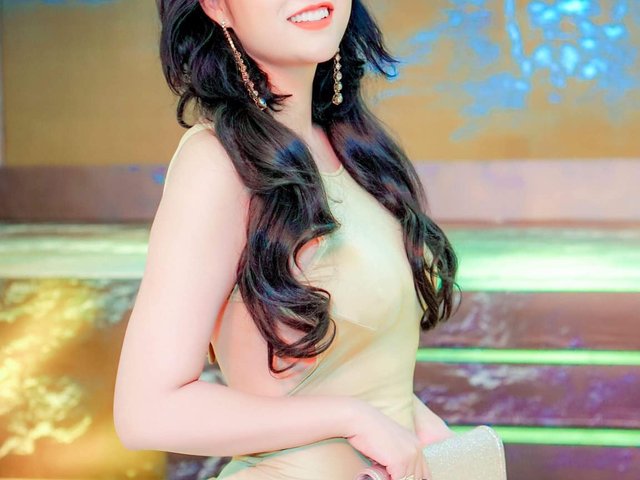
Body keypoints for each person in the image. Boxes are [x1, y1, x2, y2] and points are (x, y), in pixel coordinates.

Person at [113, 1, 460, 479]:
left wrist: (410, 419)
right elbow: (147, 411)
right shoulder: (217, 163)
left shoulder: (355, 149)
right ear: (216, 7)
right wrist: (352, 418)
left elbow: (357, 361)